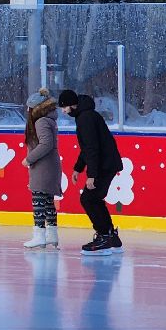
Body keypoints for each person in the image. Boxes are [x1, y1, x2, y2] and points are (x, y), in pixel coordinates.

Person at [58, 89, 124, 256]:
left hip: (104, 165)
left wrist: (91, 175)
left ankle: (104, 236)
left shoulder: (85, 119)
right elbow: (88, 148)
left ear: (72, 105)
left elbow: (92, 149)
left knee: (88, 199)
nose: (63, 111)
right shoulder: (86, 115)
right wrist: (78, 168)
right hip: (107, 164)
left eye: (64, 108)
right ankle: (109, 234)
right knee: (93, 199)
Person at [22, 88, 61, 250]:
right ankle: (52, 234)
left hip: (43, 166)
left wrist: (29, 159)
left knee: (38, 198)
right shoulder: (49, 120)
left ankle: (39, 235)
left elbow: (46, 144)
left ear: (36, 109)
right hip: (49, 165)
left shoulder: (41, 121)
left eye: (29, 108)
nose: (27, 111)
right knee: (47, 200)